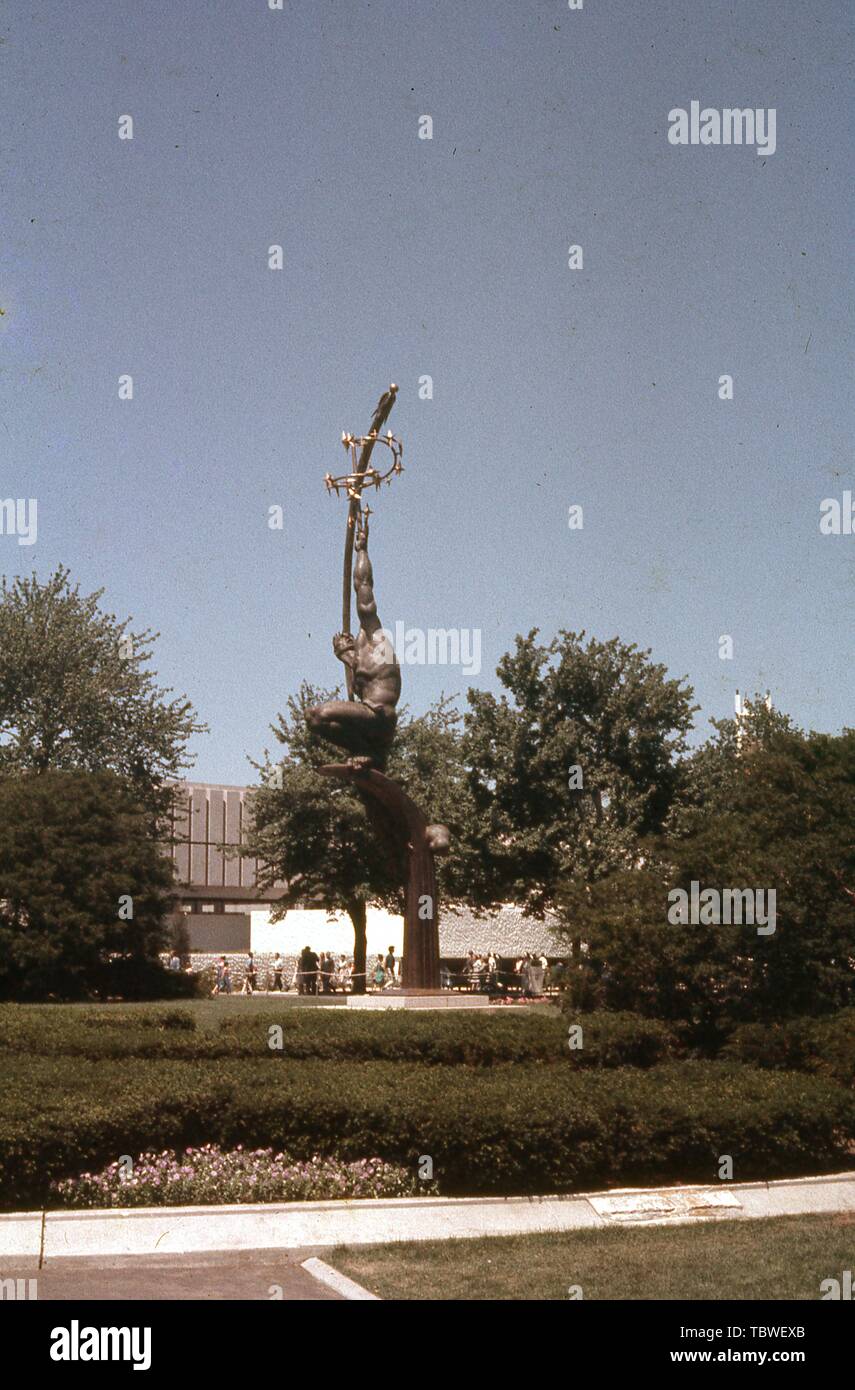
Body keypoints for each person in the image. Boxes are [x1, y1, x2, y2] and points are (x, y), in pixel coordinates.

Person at [304, 517, 401, 770]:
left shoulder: (374, 636)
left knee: (317, 714)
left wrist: (362, 550)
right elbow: (360, 674)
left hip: (379, 716)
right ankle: (365, 752)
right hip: (367, 720)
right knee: (317, 722)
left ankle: (372, 753)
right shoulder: (356, 656)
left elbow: (363, 584)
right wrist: (345, 656)